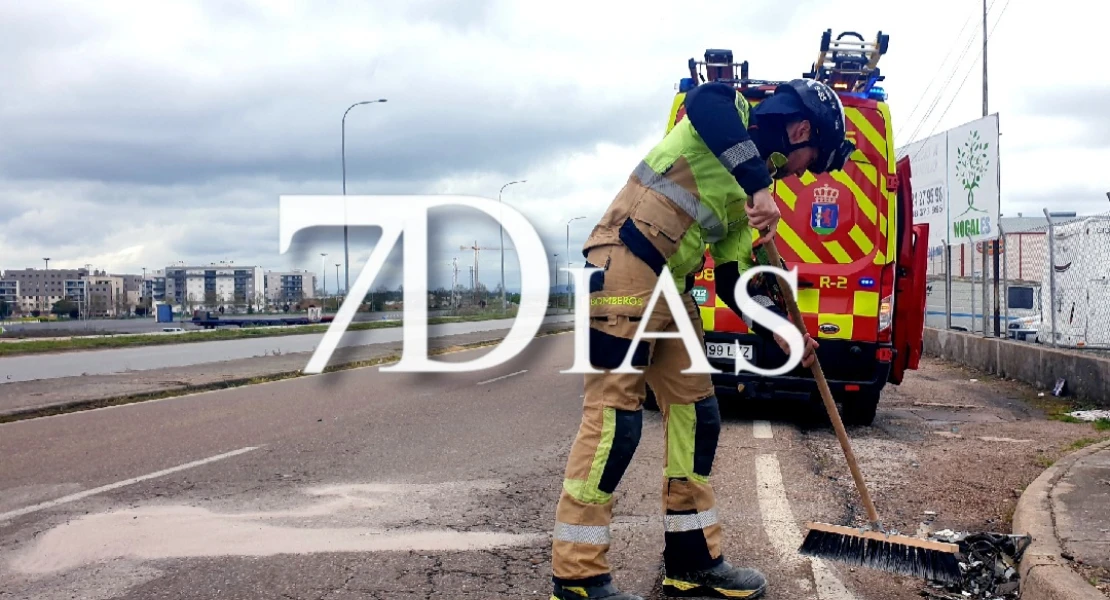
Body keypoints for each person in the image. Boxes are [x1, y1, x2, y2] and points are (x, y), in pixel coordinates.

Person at [549, 78, 855, 600]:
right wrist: (759, 182)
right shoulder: (728, 112)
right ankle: (577, 577)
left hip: (674, 287)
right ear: (800, 129)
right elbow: (704, 102)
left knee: (699, 416)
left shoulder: (749, 199)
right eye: (811, 158)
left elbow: (736, 283)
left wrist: (780, 332)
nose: (803, 173)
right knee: (615, 423)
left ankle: (691, 563)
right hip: (625, 264)